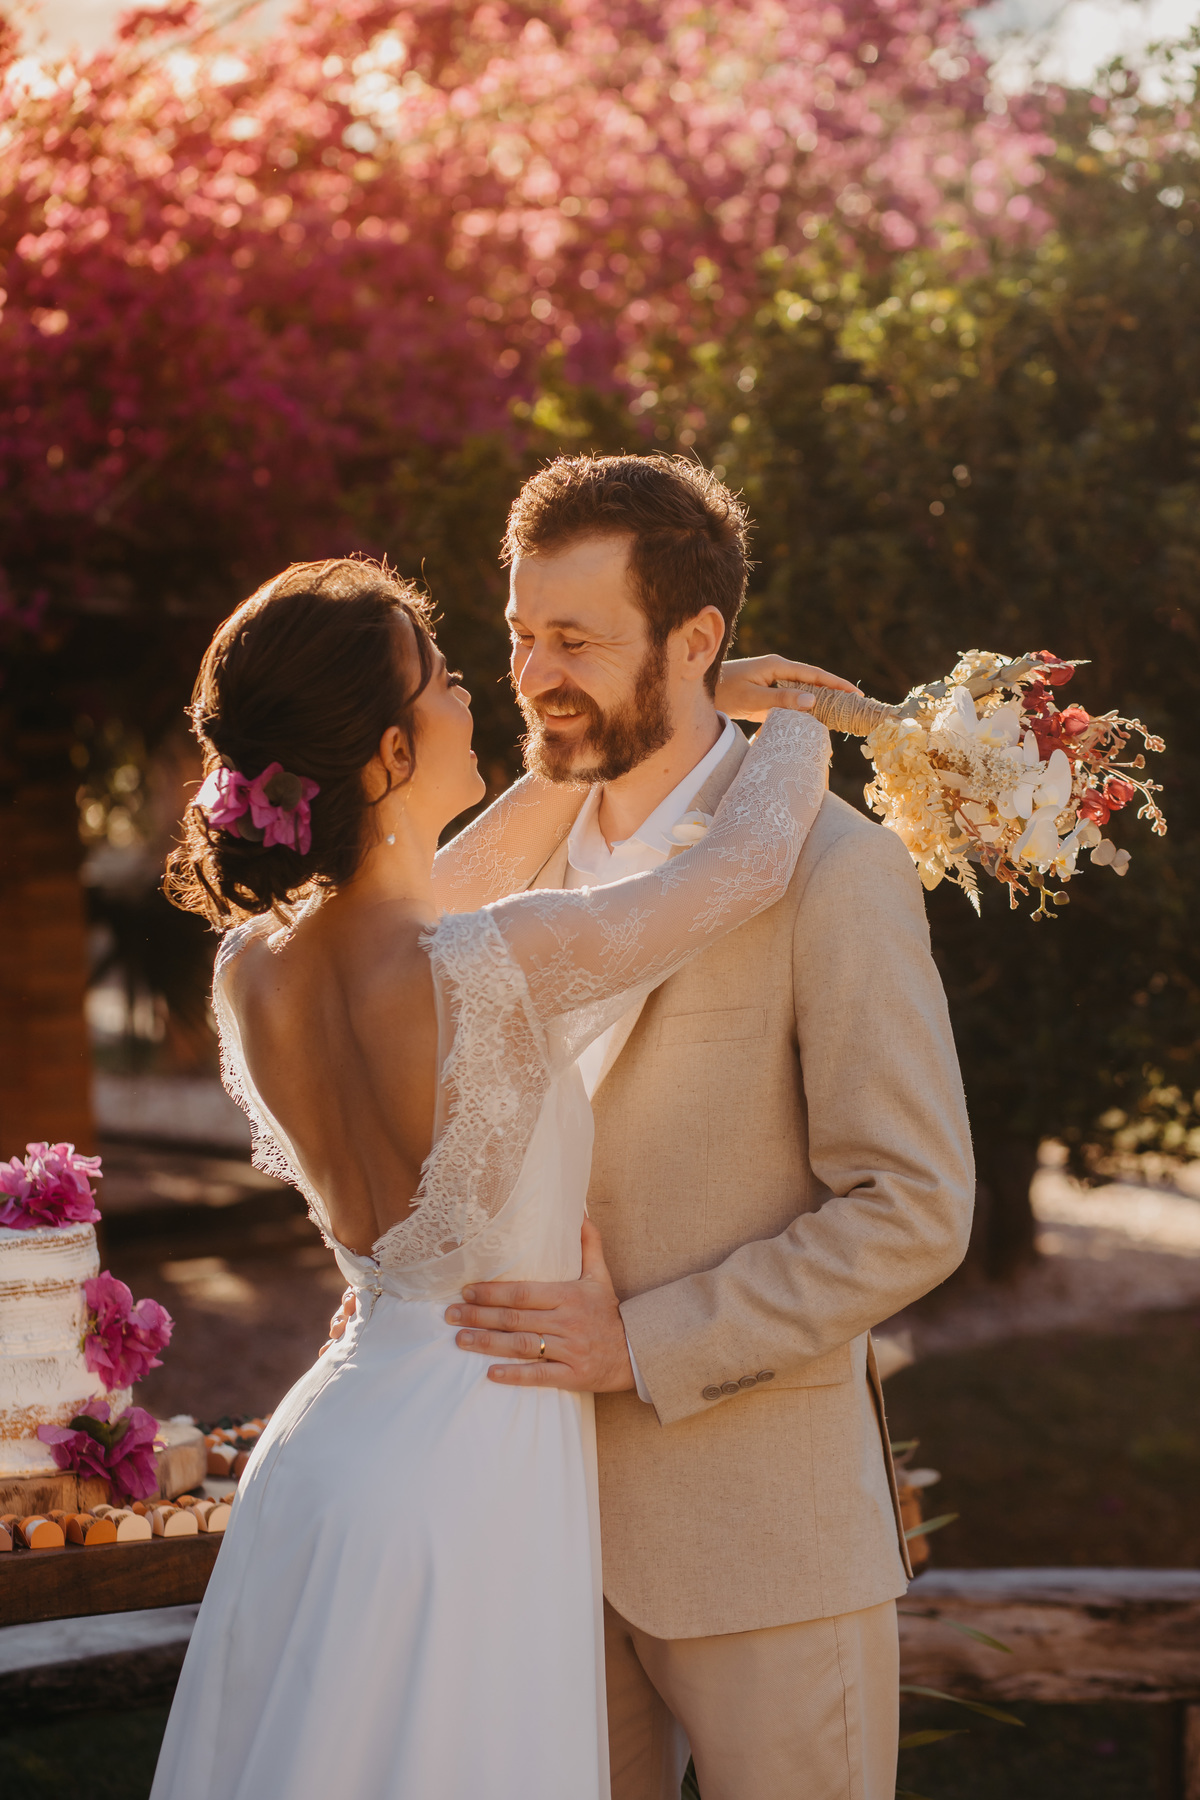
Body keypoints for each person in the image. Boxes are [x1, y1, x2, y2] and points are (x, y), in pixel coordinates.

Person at [332, 454, 976, 1799]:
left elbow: (915, 1204)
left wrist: (646, 1342)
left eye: (575, 640)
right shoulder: (500, 873)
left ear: (698, 642)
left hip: (760, 1538)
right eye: (516, 633)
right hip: (520, 1529)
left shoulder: (833, 870)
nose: (531, 670)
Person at [150, 552, 833, 1800]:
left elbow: (424, 885)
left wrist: (654, 713)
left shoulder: (256, 967)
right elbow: (743, 872)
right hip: (472, 1476)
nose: (482, 696)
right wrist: (787, 724)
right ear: (387, 753)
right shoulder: (493, 961)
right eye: (450, 678)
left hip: (332, 1461)